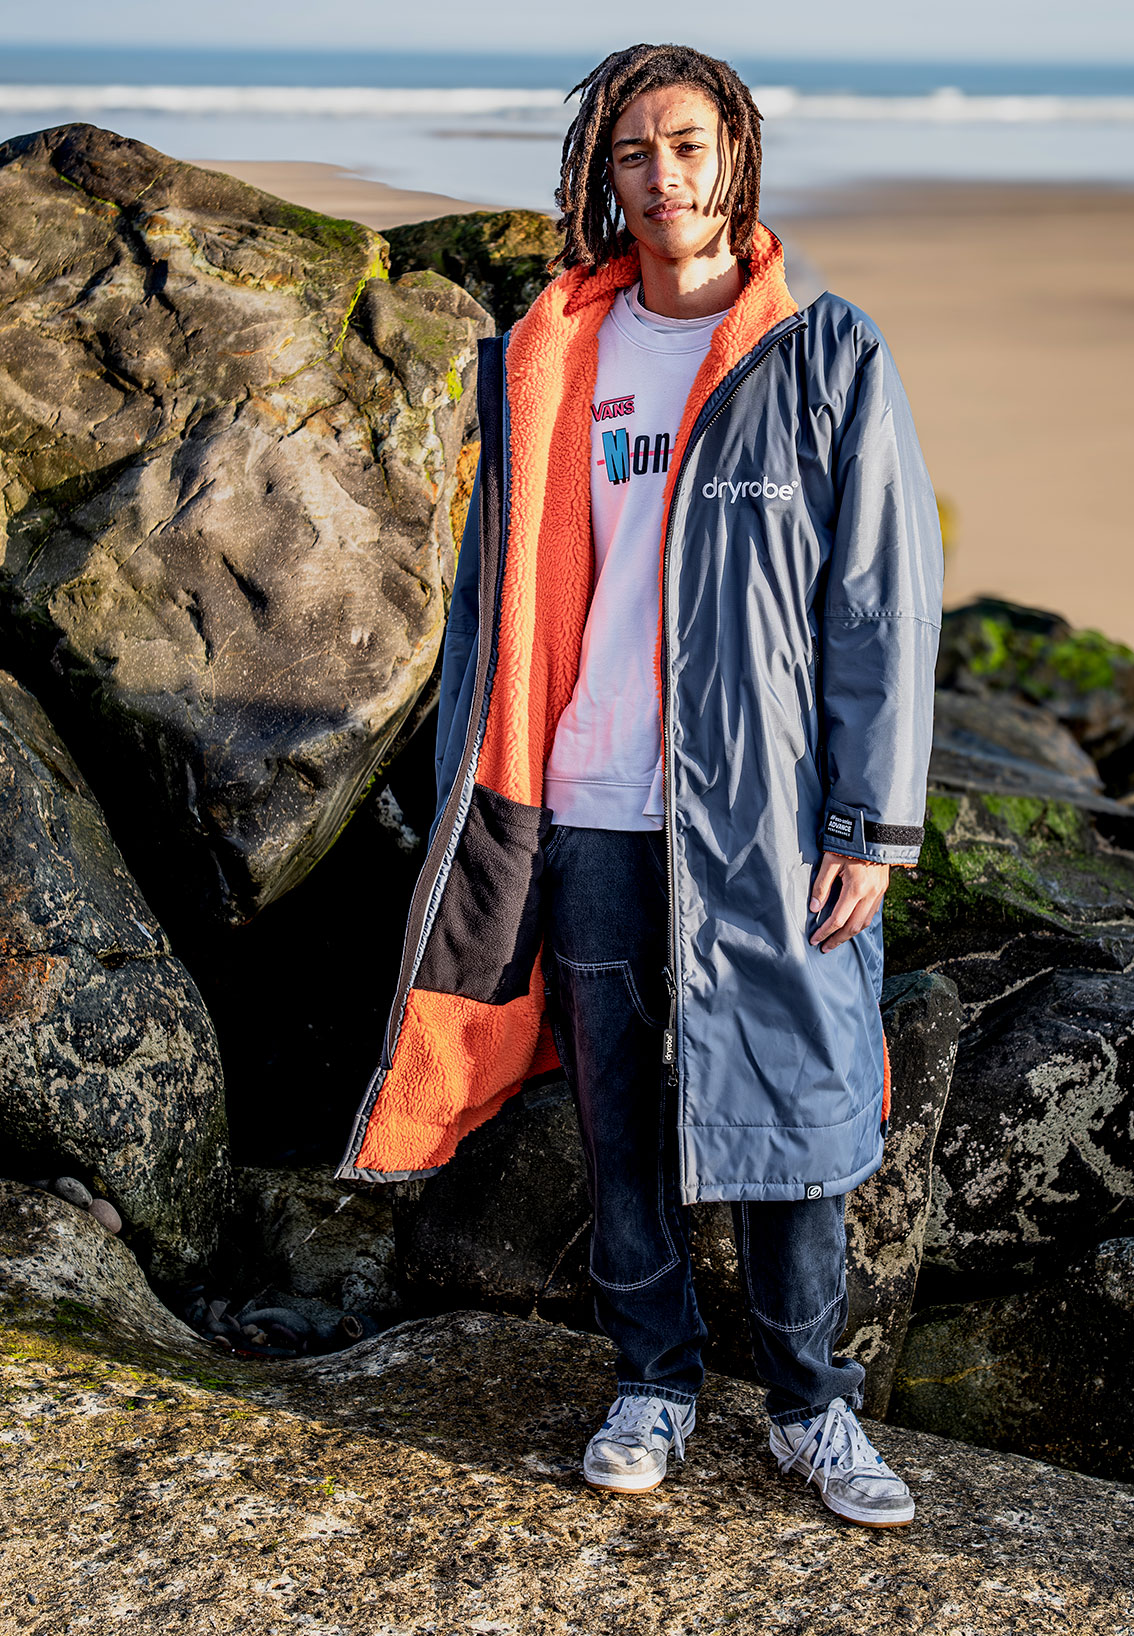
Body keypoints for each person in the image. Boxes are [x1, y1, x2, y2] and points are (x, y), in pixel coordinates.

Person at [336, 42, 942, 1530]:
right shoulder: (553, 351)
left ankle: (811, 1407)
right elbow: (504, 611)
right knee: (618, 1111)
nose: (659, 177)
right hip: (590, 802)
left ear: (733, 153)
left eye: (684, 145)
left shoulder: (825, 352)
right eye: (629, 154)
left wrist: (874, 822)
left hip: (767, 815)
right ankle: (653, 1381)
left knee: (794, 1121)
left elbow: (882, 602)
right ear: (599, 178)